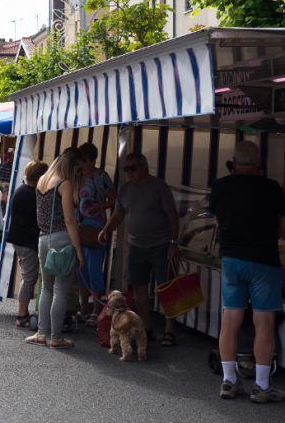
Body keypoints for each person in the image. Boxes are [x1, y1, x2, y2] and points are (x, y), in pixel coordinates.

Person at [210, 141, 285, 402]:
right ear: (259, 163)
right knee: (263, 321)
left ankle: (229, 381)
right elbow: (282, 226)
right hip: (264, 261)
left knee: (230, 320)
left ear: (234, 161)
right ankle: (262, 386)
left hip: (231, 259)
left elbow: (218, 221)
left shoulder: (220, 186)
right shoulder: (272, 188)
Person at [98, 153, 180, 347]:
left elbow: (172, 215)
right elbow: (118, 214)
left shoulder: (158, 186)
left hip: (160, 244)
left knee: (166, 289)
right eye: (125, 169)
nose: (128, 172)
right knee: (139, 288)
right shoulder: (125, 189)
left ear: (144, 167)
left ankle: (170, 329)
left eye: (132, 168)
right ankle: (147, 327)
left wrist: (174, 243)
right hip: (136, 246)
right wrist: (106, 229)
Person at [26, 149, 84, 349]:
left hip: (43, 238)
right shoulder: (64, 184)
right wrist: (78, 249)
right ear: (70, 168)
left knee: (47, 287)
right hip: (61, 239)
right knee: (61, 288)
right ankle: (56, 337)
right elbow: (69, 219)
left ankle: (42, 333)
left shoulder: (42, 180)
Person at [76, 142, 116, 325]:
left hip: (96, 227)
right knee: (81, 269)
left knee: (93, 269)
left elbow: (114, 198)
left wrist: (99, 206)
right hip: (78, 226)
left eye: (84, 161)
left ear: (92, 160)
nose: (81, 164)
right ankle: (83, 307)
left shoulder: (101, 176)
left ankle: (96, 310)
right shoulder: (77, 176)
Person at [7, 160, 49, 328]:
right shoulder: (33, 194)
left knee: (28, 276)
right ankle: (22, 314)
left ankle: (23, 312)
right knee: (29, 277)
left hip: (19, 239)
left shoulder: (21, 190)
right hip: (27, 240)